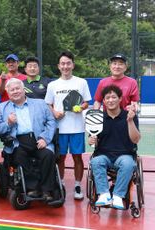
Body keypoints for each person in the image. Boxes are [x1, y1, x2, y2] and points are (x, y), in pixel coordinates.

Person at [0, 78, 57, 200]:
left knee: (48, 155)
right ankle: (33, 187)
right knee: (18, 157)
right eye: (12, 90)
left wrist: (45, 138)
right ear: (8, 92)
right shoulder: (2, 108)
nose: (15, 91)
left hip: (38, 138)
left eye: (18, 88)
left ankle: (46, 190)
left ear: (23, 90)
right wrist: (8, 123)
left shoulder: (40, 103)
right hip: (18, 142)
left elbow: (51, 121)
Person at [45, 51, 91, 200]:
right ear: (59, 66)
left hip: (77, 128)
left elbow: (86, 102)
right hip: (60, 128)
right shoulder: (53, 85)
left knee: (77, 157)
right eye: (62, 63)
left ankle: (77, 185)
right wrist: (54, 112)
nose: (65, 66)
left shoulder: (81, 82)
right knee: (60, 158)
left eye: (68, 63)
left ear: (73, 65)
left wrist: (81, 108)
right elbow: (48, 104)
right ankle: (61, 183)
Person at [89, 84, 140, 209]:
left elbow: (136, 139)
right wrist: (91, 140)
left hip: (124, 155)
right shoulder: (98, 118)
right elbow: (92, 143)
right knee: (96, 161)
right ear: (104, 101)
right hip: (103, 155)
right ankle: (104, 194)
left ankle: (118, 196)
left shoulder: (130, 116)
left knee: (128, 164)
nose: (110, 100)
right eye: (107, 98)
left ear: (120, 99)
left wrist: (130, 121)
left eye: (113, 97)